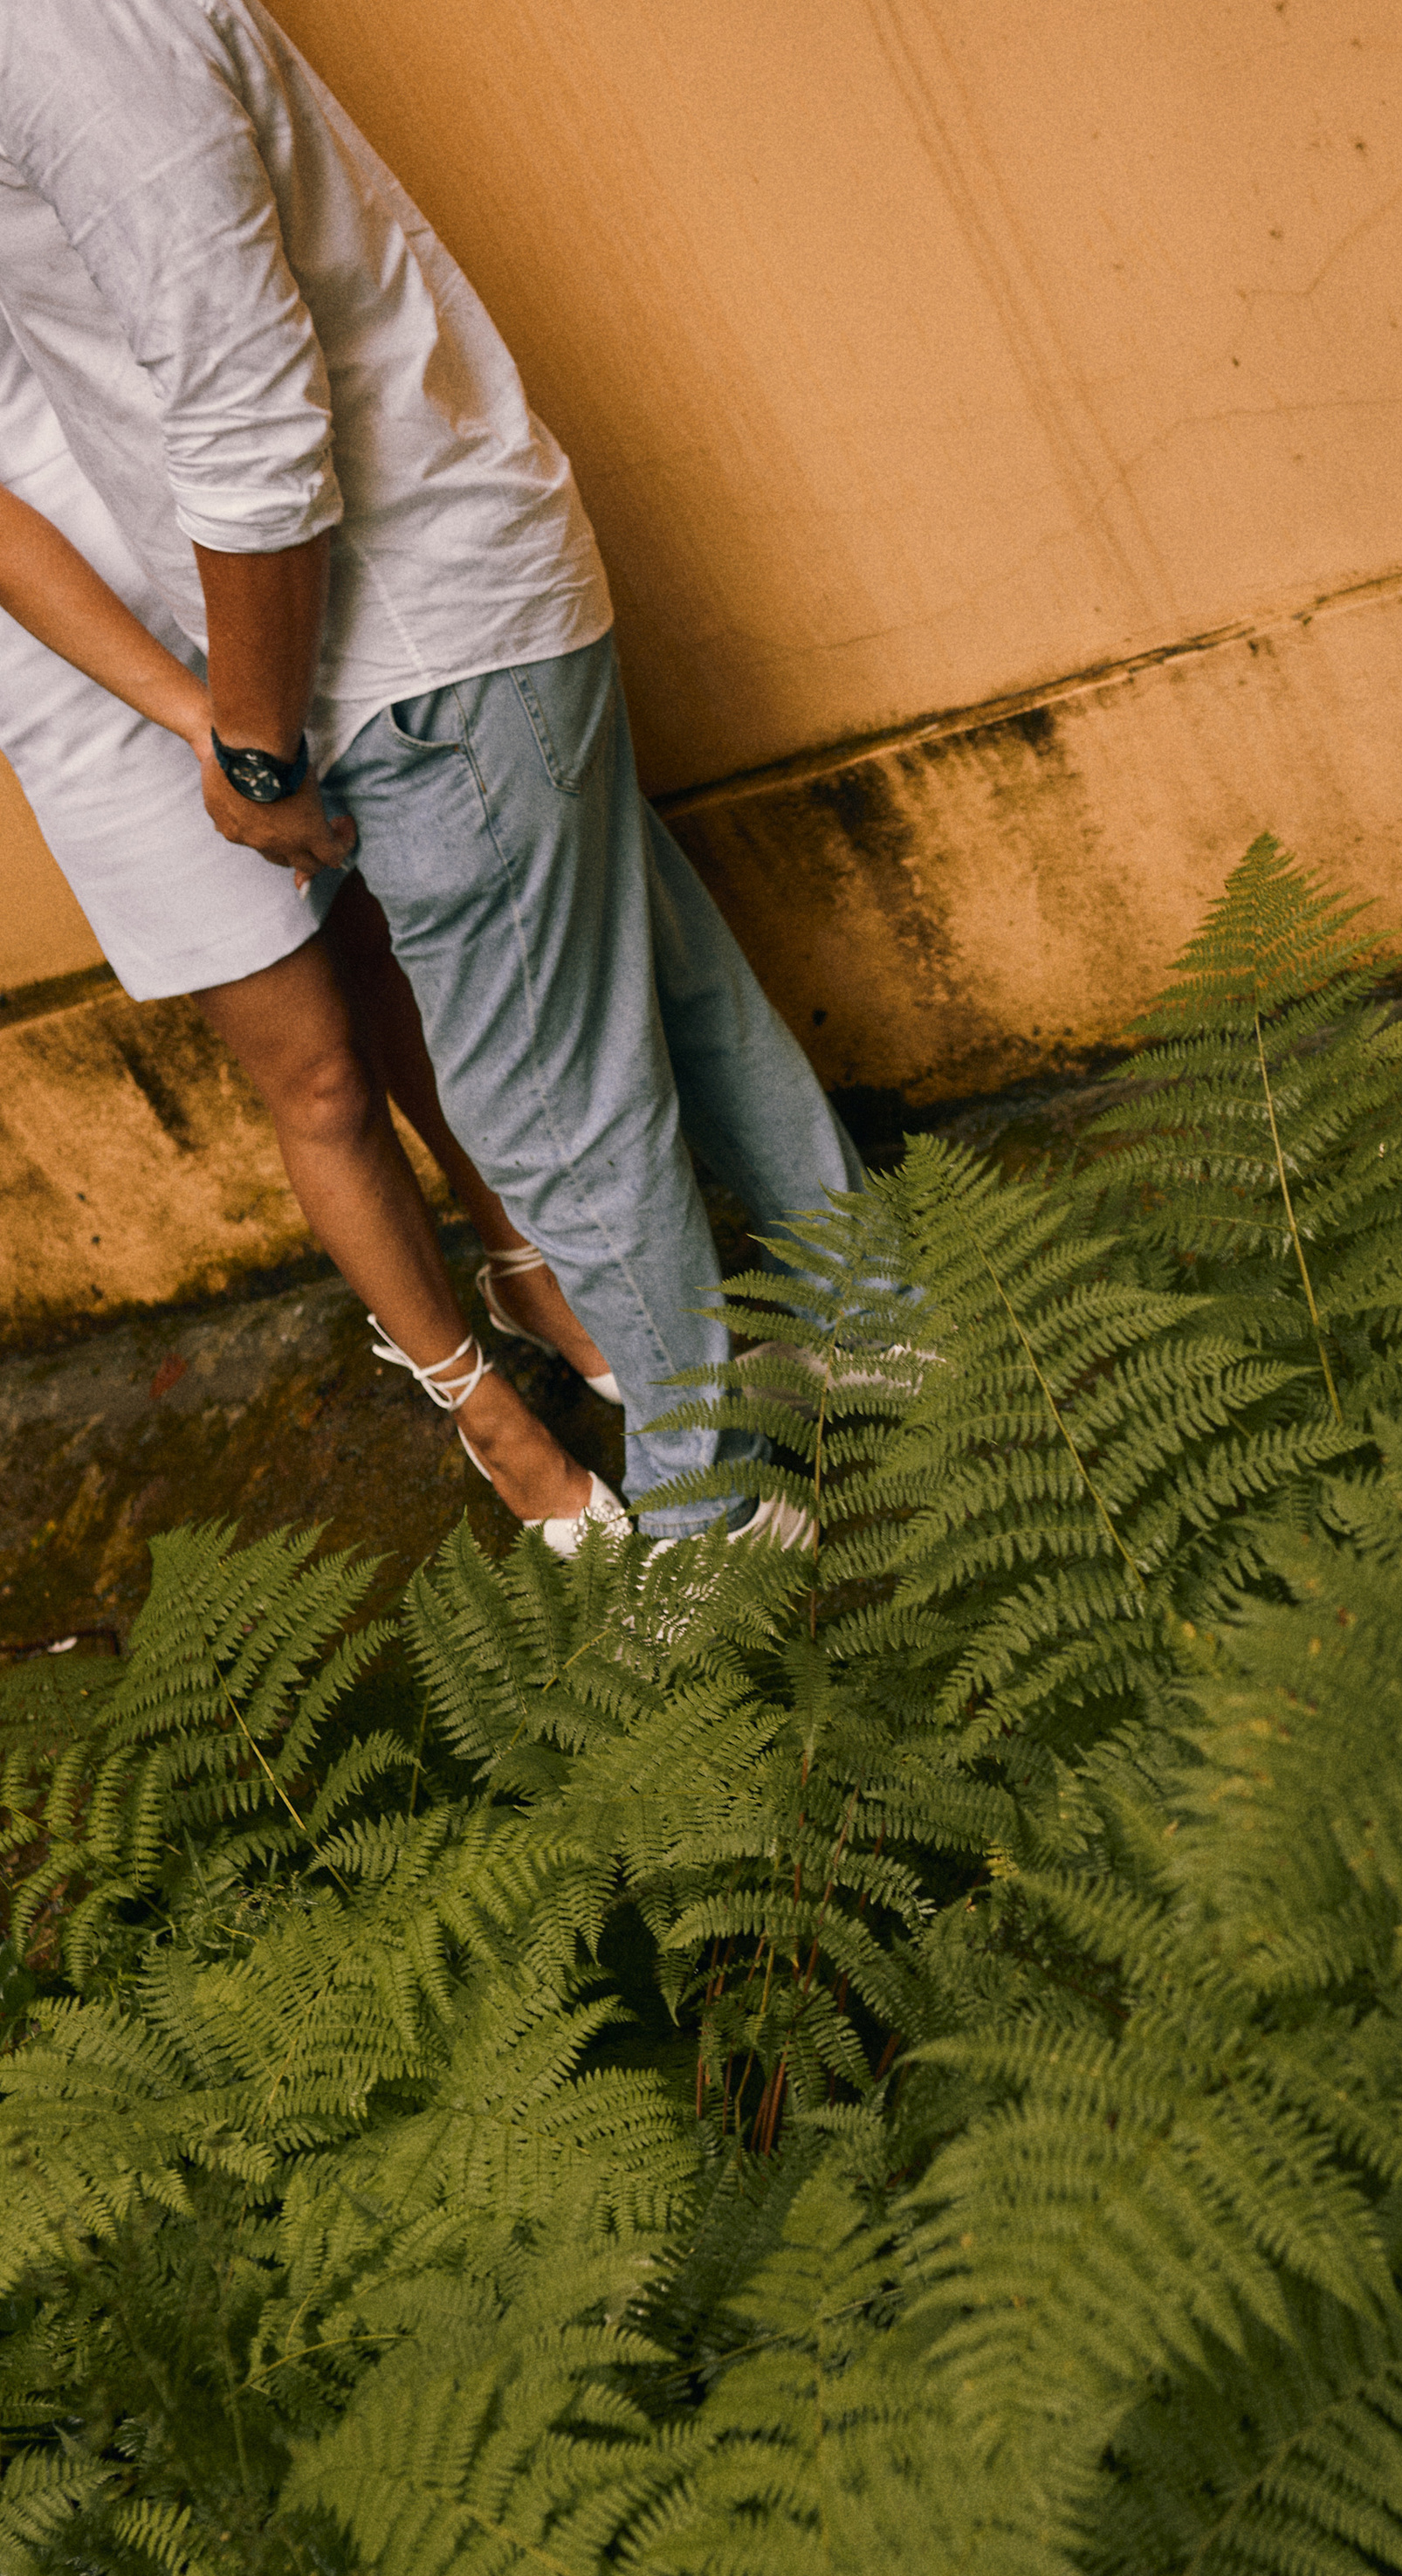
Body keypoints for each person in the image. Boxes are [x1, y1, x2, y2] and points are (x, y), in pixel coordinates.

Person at [0, 0, 856, 1543]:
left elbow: (252, 412)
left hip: (412, 647)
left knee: (551, 1117)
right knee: (673, 995)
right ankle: (897, 1323)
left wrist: (251, 750)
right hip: (439, 617)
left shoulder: (56, 35)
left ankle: (715, 1517)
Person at [0, 320, 629, 1549]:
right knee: (320, 1073)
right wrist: (211, 728)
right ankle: (485, 1412)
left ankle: (521, 1259)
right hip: (82, 676)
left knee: (394, 956)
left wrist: (248, 668)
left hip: (238, 577)